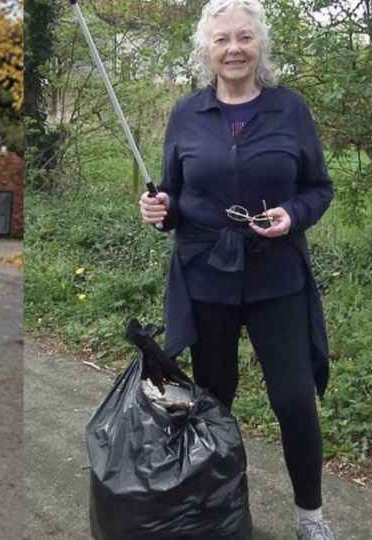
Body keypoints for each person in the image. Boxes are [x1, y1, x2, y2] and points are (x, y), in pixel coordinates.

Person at [138, 1, 335, 539]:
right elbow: (172, 196)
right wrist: (159, 210)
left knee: (293, 398)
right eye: (222, 39)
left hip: (277, 276)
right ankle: (219, 508)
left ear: (260, 46)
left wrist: (292, 214)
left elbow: (320, 188)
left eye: (244, 38)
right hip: (207, 276)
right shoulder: (185, 113)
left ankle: (310, 519)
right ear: (207, 48)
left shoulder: (290, 109)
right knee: (213, 398)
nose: (233, 49)